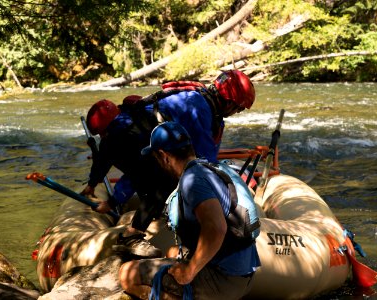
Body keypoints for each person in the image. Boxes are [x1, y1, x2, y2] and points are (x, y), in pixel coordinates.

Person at [81, 70, 255, 258]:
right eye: (238, 108)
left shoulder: (209, 110)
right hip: (134, 140)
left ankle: (152, 212)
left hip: (142, 140)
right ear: (229, 101)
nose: (238, 112)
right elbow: (203, 164)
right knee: (163, 179)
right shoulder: (200, 108)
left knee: (169, 174)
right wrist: (114, 200)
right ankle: (131, 237)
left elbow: (207, 158)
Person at [119, 122, 261, 300]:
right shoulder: (212, 168)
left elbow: (216, 228)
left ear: (164, 156)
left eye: (155, 157)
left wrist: (190, 270)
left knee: (126, 273)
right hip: (244, 274)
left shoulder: (192, 181)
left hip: (223, 280)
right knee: (172, 252)